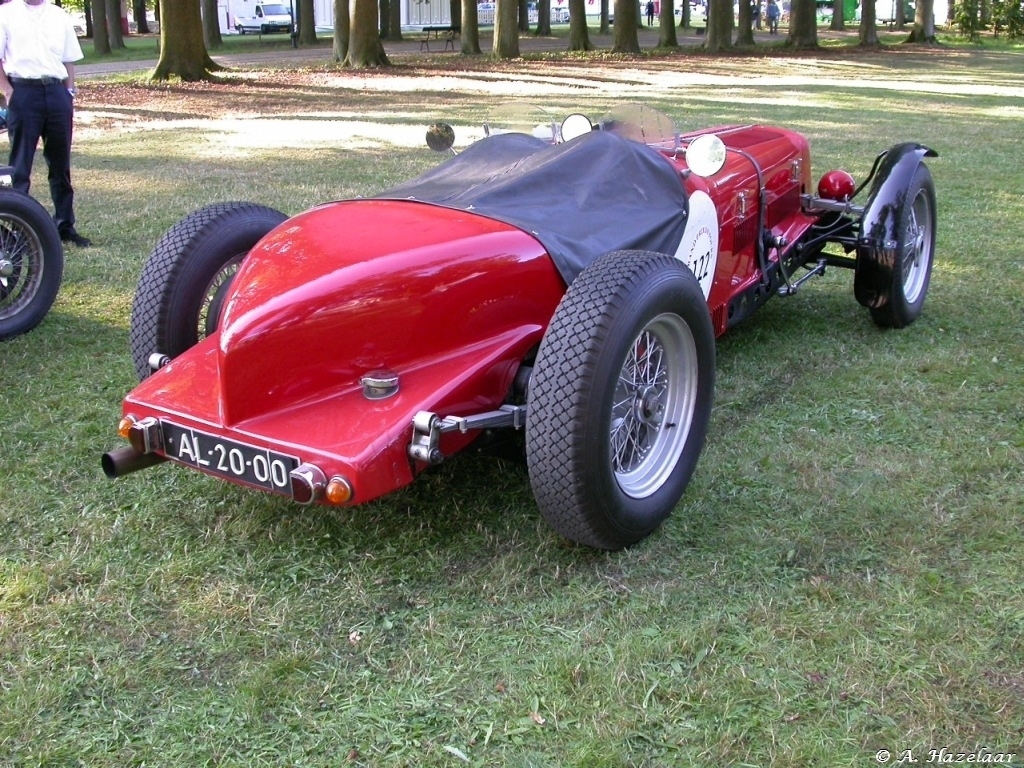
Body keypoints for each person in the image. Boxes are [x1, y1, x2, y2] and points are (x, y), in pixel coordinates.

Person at [0, 0, 90, 247]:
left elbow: (68, 59)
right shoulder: (6, 14)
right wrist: (8, 91)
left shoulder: (58, 15)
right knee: (20, 167)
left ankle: (64, 226)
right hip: (23, 91)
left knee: (60, 164)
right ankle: (17, 230)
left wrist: (69, 92)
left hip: (56, 92)